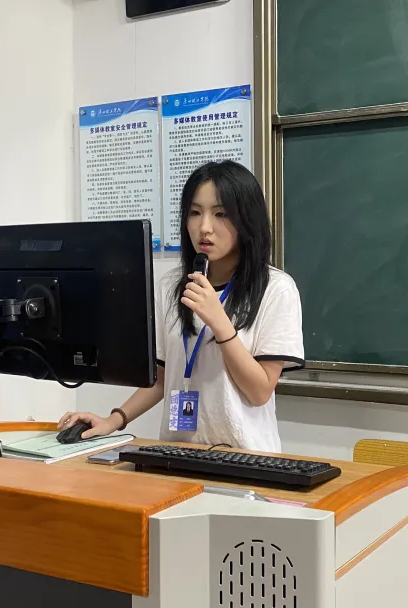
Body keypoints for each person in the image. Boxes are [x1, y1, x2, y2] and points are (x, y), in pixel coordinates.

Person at [58, 160, 305, 452]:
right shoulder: (171, 286)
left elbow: (260, 391)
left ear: (247, 221)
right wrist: (112, 420)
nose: (204, 227)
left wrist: (220, 323)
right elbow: (163, 378)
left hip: (247, 457)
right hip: (179, 454)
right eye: (195, 213)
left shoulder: (276, 289)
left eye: (221, 214)